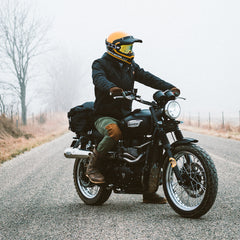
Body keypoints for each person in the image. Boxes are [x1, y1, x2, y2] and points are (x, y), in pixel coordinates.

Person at [86, 31, 180, 204]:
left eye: (131, 47)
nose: (129, 50)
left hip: (124, 114)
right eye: (126, 47)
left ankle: (148, 190)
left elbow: (148, 77)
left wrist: (169, 88)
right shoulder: (100, 64)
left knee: (152, 137)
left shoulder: (130, 65)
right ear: (114, 48)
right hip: (104, 115)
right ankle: (93, 166)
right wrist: (111, 88)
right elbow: (98, 79)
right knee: (114, 132)